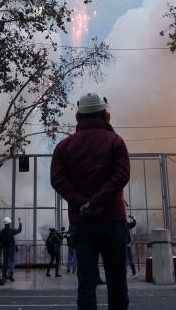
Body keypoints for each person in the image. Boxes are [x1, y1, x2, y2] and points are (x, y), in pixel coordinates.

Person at [51, 91, 131, 310]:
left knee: (85, 284)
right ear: (106, 115)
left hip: (81, 222)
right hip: (112, 220)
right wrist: (96, 201)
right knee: (117, 283)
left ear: (78, 117)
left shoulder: (64, 146)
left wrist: (82, 202)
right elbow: (121, 176)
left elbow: (57, 180)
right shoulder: (115, 141)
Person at [0, 216, 22, 282]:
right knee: (12, 261)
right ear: (9, 223)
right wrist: (20, 222)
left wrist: (0, 247)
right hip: (12, 248)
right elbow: (19, 230)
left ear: (5, 224)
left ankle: (4, 276)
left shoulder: (2, 232)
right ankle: (10, 274)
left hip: (5, 249)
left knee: (5, 262)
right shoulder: (11, 231)